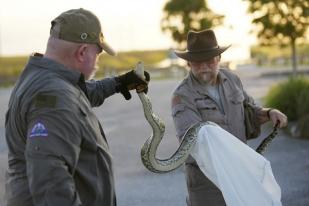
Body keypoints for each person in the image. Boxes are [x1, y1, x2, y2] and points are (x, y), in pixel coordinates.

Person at [5, 8, 149, 206]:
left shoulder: (44, 79)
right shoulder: (54, 99)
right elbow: (50, 184)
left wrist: (119, 83)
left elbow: (78, 93)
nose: (97, 62)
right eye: (98, 54)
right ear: (82, 52)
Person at [171, 29, 288, 206]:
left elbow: (249, 111)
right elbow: (193, 141)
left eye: (209, 60)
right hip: (207, 182)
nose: (204, 67)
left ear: (218, 59)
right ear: (188, 64)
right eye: (197, 62)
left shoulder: (232, 79)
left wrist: (269, 112)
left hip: (241, 172)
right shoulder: (182, 95)